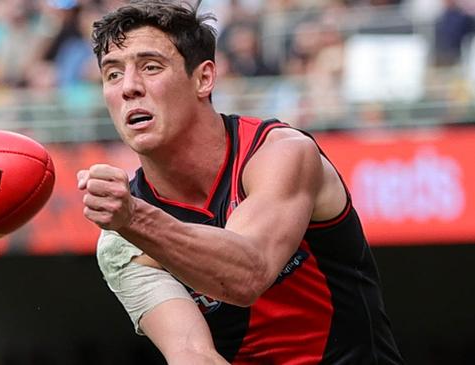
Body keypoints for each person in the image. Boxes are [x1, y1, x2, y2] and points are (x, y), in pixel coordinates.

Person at [77, 1, 405, 364]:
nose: (129, 88)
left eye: (151, 67)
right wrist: (130, 222)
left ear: (204, 78)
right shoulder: (119, 243)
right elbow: (192, 353)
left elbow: (249, 275)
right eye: (112, 75)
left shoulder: (281, 153)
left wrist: (135, 219)